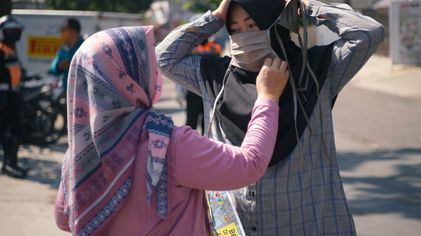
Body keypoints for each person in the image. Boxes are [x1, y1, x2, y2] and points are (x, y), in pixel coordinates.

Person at [156, 0, 385, 234]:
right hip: (238, 226)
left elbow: (368, 33)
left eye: (253, 25)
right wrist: (215, 17)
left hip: (310, 225)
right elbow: (164, 57)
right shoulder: (216, 78)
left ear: (276, 23)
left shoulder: (314, 71)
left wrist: (307, 7)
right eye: (234, 29)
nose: (243, 36)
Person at [54, 26, 289, 235]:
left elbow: (65, 219)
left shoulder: (80, 151)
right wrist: (267, 98)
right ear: (135, 73)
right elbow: (249, 164)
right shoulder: (167, 143)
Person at [0, 15, 27, 178]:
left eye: (17, 31)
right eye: (11, 31)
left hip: (14, 95)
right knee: (8, 131)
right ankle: (8, 164)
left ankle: (12, 162)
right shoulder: (1, 49)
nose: (15, 34)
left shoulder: (11, 49)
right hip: (4, 98)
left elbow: (15, 71)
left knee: (16, 130)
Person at [187, 38, 222, 134]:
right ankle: (187, 144)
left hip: (208, 88)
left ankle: (204, 143)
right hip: (193, 89)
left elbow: (218, 57)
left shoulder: (214, 45)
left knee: (206, 121)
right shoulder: (192, 46)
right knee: (191, 121)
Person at [49, 18, 84, 91]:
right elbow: (53, 68)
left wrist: (73, 65)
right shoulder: (64, 48)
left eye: (64, 30)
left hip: (82, 92)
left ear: (73, 31)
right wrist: (59, 66)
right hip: (66, 91)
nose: (62, 33)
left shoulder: (85, 46)